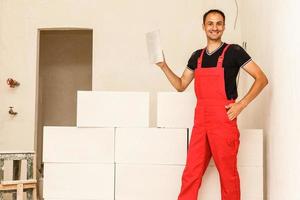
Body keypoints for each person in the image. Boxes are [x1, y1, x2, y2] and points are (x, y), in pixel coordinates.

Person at [155, 9, 268, 200]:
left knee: (227, 175)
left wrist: (241, 105)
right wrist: (163, 66)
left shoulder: (234, 51)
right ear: (203, 27)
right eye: (210, 23)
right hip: (201, 121)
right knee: (191, 173)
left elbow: (261, 78)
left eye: (218, 23)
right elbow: (181, 85)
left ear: (223, 27)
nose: (214, 27)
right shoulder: (196, 56)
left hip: (223, 120)